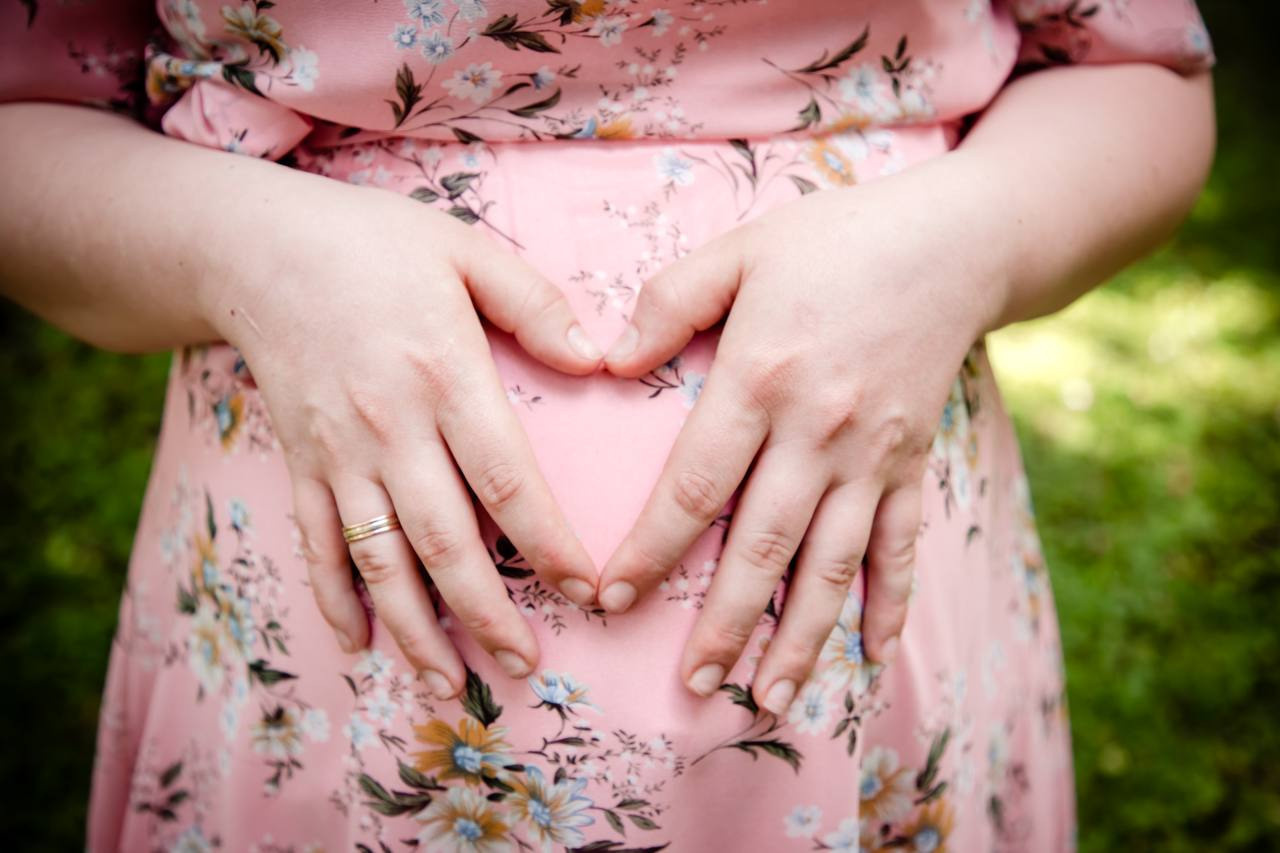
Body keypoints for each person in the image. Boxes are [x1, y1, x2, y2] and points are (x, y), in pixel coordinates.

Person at [0, 1, 1215, 849]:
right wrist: (245, 253)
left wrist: (971, 239)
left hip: (866, 653)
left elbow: (1139, 62)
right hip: (322, 685)